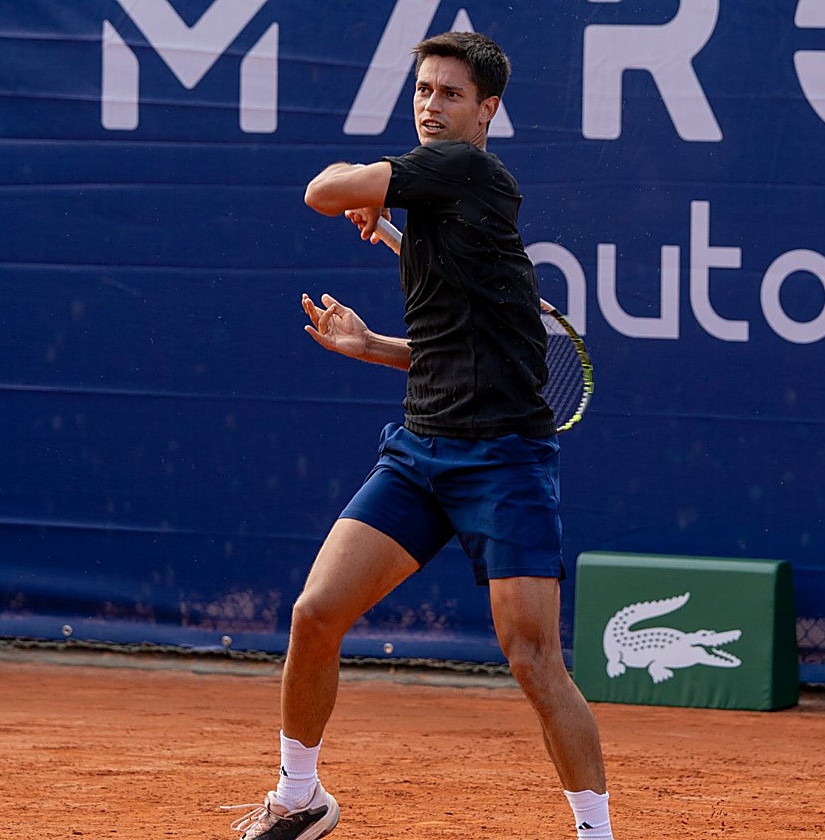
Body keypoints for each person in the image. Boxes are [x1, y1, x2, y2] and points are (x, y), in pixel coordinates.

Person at [227, 31, 615, 840]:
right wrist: (369, 346)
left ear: (487, 112)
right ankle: (300, 797)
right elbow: (453, 350)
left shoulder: (465, 170)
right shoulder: (440, 205)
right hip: (420, 451)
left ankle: (595, 833)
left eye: (449, 95)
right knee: (315, 613)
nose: (431, 107)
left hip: (502, 460)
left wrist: (366, 187)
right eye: (423, 91)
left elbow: (319, 191)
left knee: (534, 661)